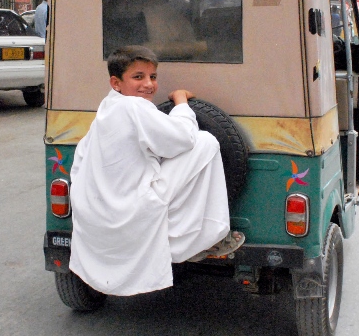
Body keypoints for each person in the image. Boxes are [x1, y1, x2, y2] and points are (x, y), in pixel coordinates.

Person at [68, 45, 244, 296]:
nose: (148, 84)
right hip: (132, 209)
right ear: (116, 83)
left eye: (153, 77)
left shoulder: (106, 108)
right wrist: (182, 102)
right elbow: (183, 138)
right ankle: (206, 236)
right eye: (138, 77)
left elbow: (81, 162)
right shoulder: (134, 107)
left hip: (96, 214)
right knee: (206, 142)